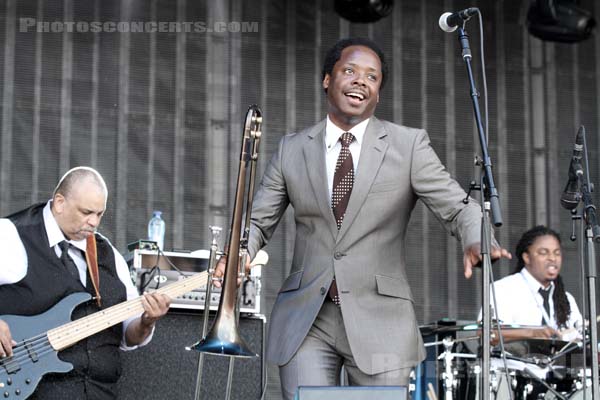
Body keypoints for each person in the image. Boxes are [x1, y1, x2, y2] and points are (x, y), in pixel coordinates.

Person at [215, 37, 510, 399]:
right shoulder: (292, 149)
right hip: (308, 319)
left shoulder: (409, 145)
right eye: (350, 71)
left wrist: (477, 237)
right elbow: (258, 222)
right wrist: (238, 256)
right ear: (327, 79)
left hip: (381, 319)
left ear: (378, 94)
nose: (361, 81)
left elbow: (457, 205)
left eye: (372, 77)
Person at [0, 166, 171, 399]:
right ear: (59, 203)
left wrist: (146, 322)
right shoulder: (10, 235)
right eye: (86, 212)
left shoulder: (106, 253)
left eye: (99, 214)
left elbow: (128, 335)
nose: (94, 222)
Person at [487, 225, 582, 340]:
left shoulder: (567, 299)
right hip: (511, 358)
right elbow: (485, 334)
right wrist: (532, 333)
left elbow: (579, 340)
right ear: (526, 257)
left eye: (557, 253)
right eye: (543, 252)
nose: (552, 258)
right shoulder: (502, 290)